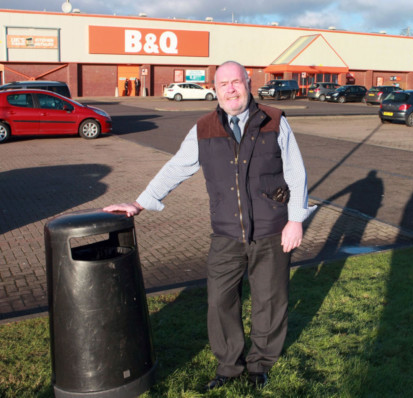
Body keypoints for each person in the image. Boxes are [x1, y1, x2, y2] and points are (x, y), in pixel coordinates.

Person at [103, 60, 315, 390]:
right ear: (215, 90)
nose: (230, 88)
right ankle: (229, 367)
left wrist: (295, 220)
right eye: (223, 84)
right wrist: (140, 202)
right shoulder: (203, 129)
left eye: (236, 81)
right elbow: (176, 168)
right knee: (220, 302)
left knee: (270, 301)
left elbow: (296, 173)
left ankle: (260, 365)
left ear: (248, 82)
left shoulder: (274, 121)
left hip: (273, 231)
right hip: (227, 235)